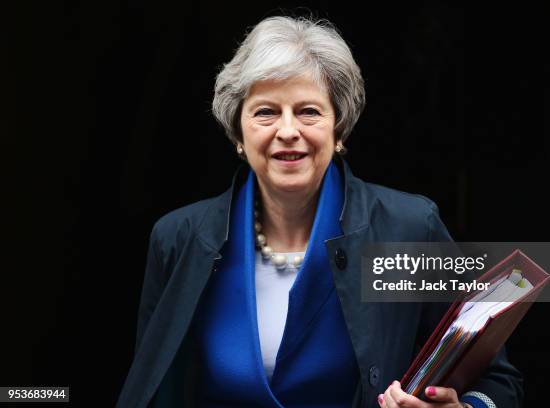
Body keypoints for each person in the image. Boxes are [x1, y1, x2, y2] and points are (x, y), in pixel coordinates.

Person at [117, 15, 523, 408]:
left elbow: (497, 381)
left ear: (339, 128)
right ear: (238, 132)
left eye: (308, 111)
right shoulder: (177, 238)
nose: (288, 130)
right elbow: (154, 385)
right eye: (266, 112)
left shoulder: (407, 227)